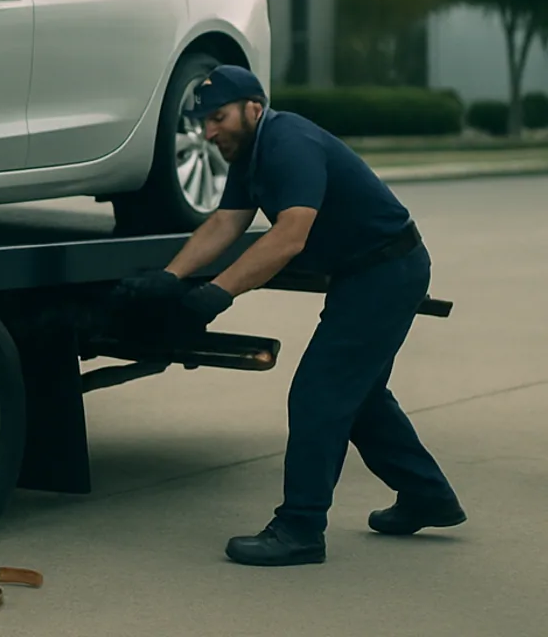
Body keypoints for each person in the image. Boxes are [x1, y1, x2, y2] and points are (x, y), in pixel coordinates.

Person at [113, 65, 464, 566]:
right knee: (358, 396)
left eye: (218, 118)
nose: (210, 132)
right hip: (366, 272)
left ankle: (300, 529)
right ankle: (428, 496)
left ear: (253, 107)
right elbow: (226, 222)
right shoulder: (250, 152)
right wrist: (170, 278)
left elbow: (289, 235)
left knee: (321, 393)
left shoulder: (288, 142)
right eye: (204, 123)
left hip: (387, 271)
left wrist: (217, 293)